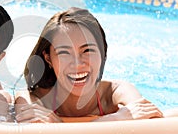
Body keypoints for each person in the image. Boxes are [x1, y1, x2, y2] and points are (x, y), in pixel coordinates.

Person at [15, 7, 176, 123]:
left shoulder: (116, 92)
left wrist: (59, 127)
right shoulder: (32, 98)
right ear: (48, 59)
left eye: (87, 51)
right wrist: (115, 119)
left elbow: (151, 123)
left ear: (103, 53)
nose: (77, 64)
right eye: (64, 53)